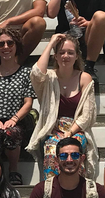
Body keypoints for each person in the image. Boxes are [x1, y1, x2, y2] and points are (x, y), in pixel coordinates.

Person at [27, 32, 98, 180]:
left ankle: (77, 189)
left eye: (70, 53)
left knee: (73, 149)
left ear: (77, 56)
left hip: (77, 129)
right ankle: (52, 189)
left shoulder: (84, 78)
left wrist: (70, 132)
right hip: (52, 129)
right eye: (62, 52)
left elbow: (88, 115)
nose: (66, 56)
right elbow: (36, 73)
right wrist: (51, 43)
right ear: (56, 56)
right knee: (52, 147)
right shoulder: (49, 78)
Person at [0, 27, 36, 186]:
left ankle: (13, 171)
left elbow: (28, 103)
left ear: (16, 46)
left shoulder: (25, 73)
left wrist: (14, 119)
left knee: (11, 133)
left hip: (19, 122)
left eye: (10, 43)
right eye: (1, 44)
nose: (5, 47)